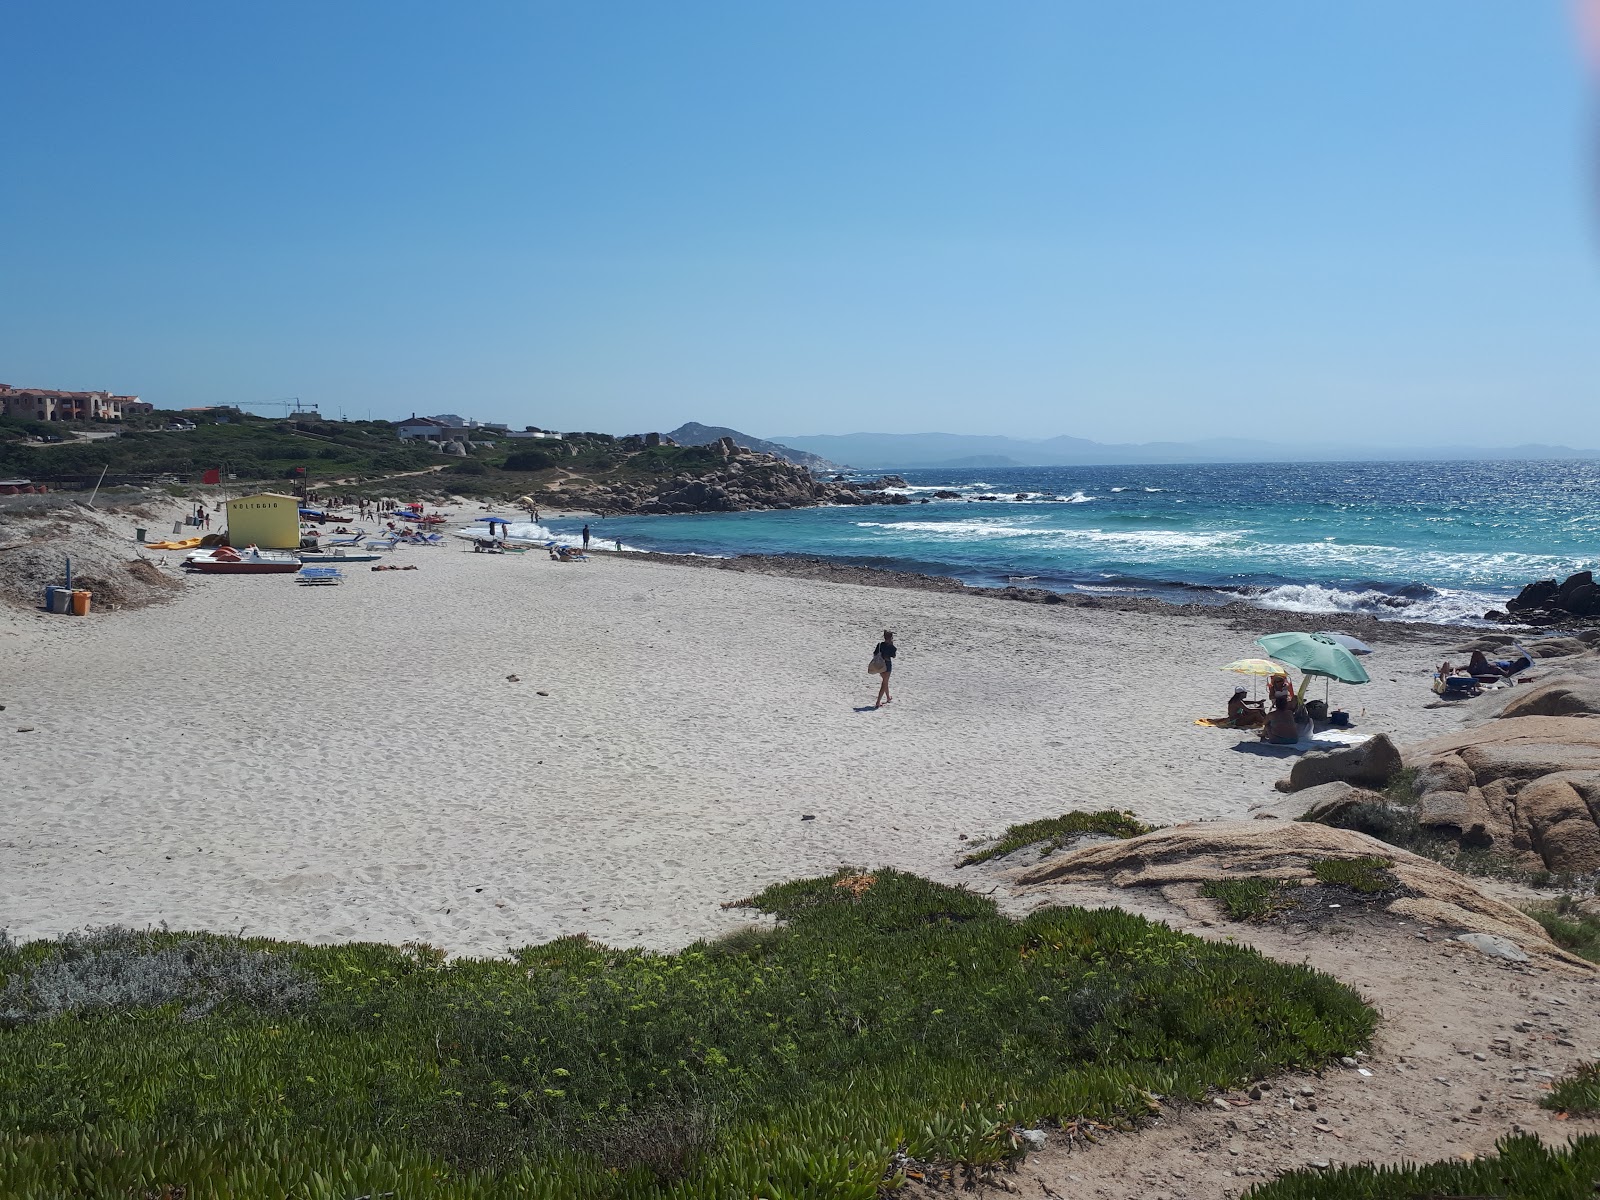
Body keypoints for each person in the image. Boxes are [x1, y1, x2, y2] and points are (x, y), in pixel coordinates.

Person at [871, 630, 897, 708]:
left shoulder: (880, 645)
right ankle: (878, 702)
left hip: (880, 665)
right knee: (884, 683)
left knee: (885, 682)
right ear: (891, 638)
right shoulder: (892, 647)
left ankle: (888, 697)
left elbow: (875, 653)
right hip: (887, 665)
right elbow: (893, 656)